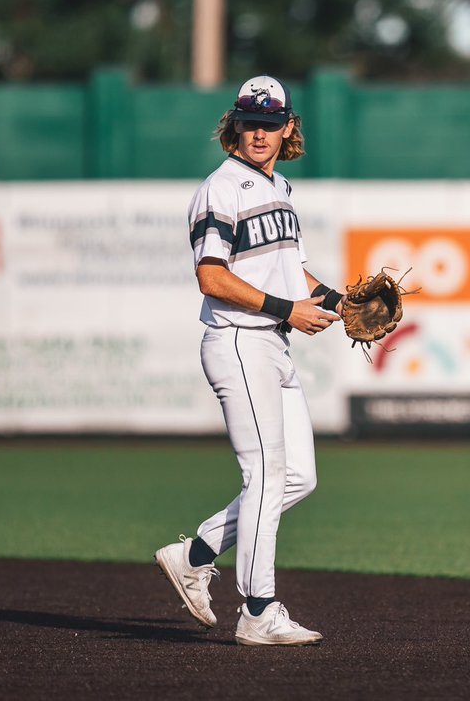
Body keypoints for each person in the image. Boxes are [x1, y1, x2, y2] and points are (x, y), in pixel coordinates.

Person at [154, 75, 345, 646]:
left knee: (298, 478)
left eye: (271, 122)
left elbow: (293, 272)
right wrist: (289, 308)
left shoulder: (280, 187)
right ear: (234, 126)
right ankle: (259, 611)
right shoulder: (222, 189)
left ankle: (195, 553)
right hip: (239, 339)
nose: (260, 132)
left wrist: (339, 301)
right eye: (250, 122)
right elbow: (211, 276)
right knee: (264, 474)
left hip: (273, 344)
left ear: (288, 127)